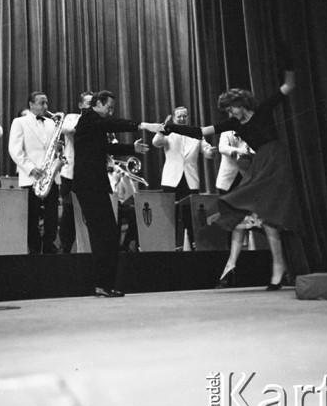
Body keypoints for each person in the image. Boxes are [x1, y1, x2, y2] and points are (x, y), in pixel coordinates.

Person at [164, 72, 303, 290]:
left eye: (232, 108)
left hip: (276, 162)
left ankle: (278, 269)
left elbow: (287, 86)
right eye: (228, 110)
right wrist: (173, 127)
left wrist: (289, 67)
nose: (231, 113)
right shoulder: (233, 123)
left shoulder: (263, 109)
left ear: (241, 103)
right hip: (260, 163)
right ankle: (278, 268)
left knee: (268, 216)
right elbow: (201, 131)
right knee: (256, 212)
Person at [73, 90, 163, 297]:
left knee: (107, 234)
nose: (110, 111)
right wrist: (142, 125)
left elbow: (104, 147)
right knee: (103, 234)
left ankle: (104, 285)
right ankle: (102, 285)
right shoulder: (88, 118)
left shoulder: (95, 123)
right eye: (108, 107)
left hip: (95, 184)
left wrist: (131, 148)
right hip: (89, 185)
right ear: (97, 103)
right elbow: (112, 124)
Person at [152, 106, 216, 247]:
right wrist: (163, 129)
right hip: (171, 178)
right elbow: (156, 143)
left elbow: (206, 149)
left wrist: (210, 151)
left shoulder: (196, 133)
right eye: (179, 116)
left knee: (190, 215)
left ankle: (193, 244)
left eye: (184, 116)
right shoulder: (168, 132)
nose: (181, 119)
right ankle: (171, 244)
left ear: (188, 117)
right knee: (170, 214)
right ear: (174, 118)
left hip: (190, 179)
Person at [9, 92, 63, 255]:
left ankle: (49, 244)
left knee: (51, 213)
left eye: (46, 103)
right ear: (31, 105)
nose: (45, 107)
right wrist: (31, 168)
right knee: (32, 215)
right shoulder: (19, 122)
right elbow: (15, 149)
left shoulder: (51, 123)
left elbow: (52, 148)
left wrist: (59, 149)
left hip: (50, 175)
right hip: (30, 175)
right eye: (41, 103)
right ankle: (34, 246)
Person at [57, 91, 93, 254]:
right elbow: (68, 129)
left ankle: (87, 248)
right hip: (70, 173)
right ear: (80, 105)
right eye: (88, 103)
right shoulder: (71, 117)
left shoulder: (98, 121)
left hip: (89, 173)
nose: (91, 106)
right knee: (69, 211)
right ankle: (65, 247)